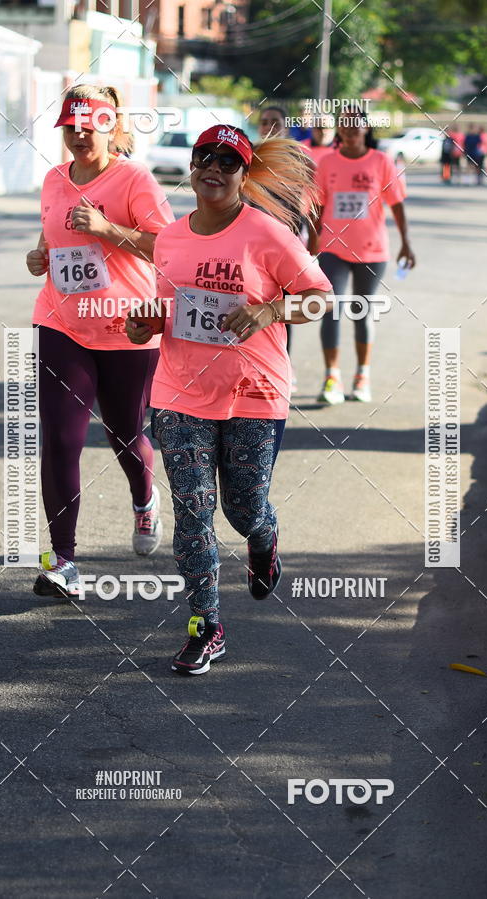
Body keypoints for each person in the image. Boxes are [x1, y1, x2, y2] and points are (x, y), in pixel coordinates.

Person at [125, 125, 333, 675]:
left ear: (244, 174)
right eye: (204, 158)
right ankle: (206, 626)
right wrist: (142, 323)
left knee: (241, 510)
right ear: (192, 168)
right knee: (193, 514)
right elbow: (166, 314)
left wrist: (268, 311)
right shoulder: (170, 238)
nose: (213, 168)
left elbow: (319, 300)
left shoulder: (266, 235)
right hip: (179, 392)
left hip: (253, 392)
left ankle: (263, 538)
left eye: (227, 161)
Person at [26, 84, 174, 597]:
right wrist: (39, 255)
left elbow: (168, 248)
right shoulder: (52, 179)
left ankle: (143, 498)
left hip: (126, 327)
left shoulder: (134, 179)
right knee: (62, 440)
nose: (80, 133)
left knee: (125, 434)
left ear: (111, 127)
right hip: (62, 322)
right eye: (72, 125)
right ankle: (62, 560)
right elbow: (53, 234)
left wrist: (108, 228)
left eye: (90, 124)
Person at [309, 112, 415, 405]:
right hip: (333, 249)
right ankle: (332, 376)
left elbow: (396, 204)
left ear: (366, 128)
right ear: (339, 130)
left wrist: (406, 243)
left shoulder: (381, 161)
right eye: (346, 125)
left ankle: (362, 376)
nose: (352, 130)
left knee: (361, 312)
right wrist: (312, 241)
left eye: (357, 125)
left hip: (371, 250)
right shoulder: (327, 162)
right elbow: (317, 205)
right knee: (331, 310)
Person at [256, 105, 315, 393]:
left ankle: (283, 369)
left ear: (285, 125)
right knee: (253, 304)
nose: (269, 126)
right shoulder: (250, 155)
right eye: (264, 122)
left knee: (283, 310)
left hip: (285, 245)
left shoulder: (299, 157)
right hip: (251, 245)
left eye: (275, 121)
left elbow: (309, 205)